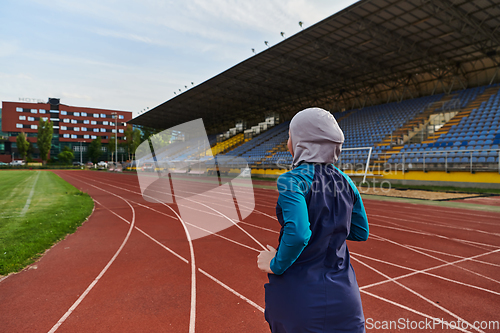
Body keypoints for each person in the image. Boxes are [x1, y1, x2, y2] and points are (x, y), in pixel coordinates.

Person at [257, 107, 369, 333]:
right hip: (346, 298)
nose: (288, 141)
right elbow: (360, 232)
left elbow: (298, 234)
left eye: (290, 135)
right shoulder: (346, 181)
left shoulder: (292, 181)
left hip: (301, 299)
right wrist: (329, 226)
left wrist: (275, 263)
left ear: (301, 141)